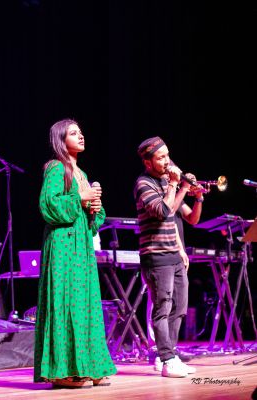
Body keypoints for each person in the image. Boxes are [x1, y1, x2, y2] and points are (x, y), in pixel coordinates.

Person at [34, 118, 117, 388]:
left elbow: (91, 223)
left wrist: (94, 205)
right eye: (73, 133)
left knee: (85, 306)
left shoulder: (79, 172)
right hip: (63, 246)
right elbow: (49, 206)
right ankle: (62, 372)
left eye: (80, 131)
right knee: (66, 303)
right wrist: (80, 198)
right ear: (60, 139)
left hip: (81, 246)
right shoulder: (57, 168)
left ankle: (88, 366)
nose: (80, 135)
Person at [134, 136, 199, 378]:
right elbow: (162, 212)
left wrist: (188, 190)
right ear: (148, 162)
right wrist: (175, 184)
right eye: (160, 157)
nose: (167, 161)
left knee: (179, 308)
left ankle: (168, 356)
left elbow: (174, 216)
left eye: (167, 155)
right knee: (163, 309)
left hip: (173, 253)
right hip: (156, 256)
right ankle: (167, 358)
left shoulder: (165, 181)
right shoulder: (143, 183)